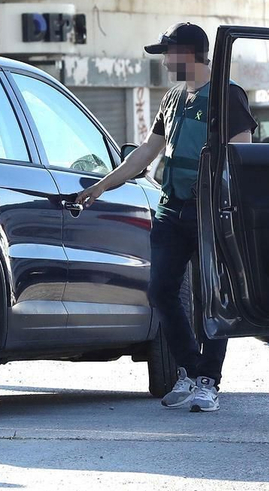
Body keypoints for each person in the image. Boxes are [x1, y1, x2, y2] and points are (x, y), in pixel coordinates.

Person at [75, 22, 255, 414]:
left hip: (209, 213)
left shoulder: (228, 97)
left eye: (169, 53)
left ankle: (208, 382)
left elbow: (244, 158)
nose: (165, 60)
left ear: (189, 54)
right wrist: (102, 186)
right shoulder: (172, 99)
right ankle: (192, 370)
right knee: (161, 291)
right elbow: (145, 153)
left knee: (212, 298)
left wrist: (231, 208)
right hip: (171, 209)